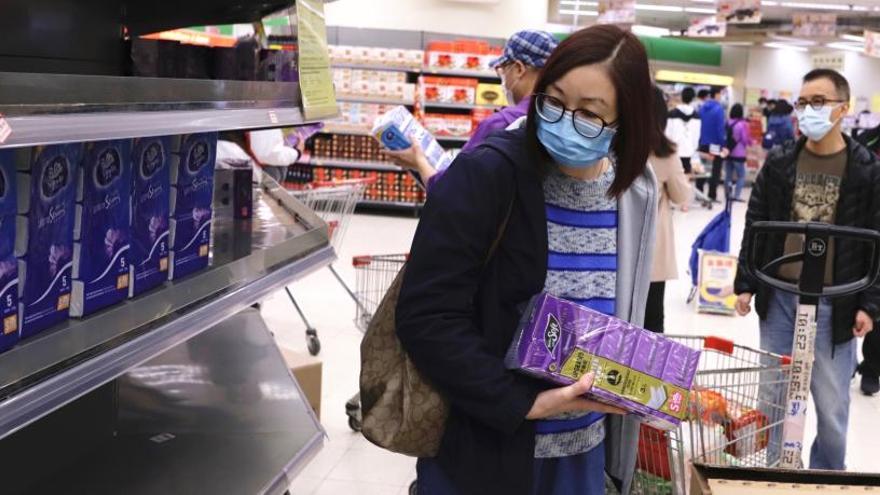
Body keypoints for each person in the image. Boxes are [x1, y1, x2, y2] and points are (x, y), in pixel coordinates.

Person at [395, 25, 658, 495]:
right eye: (554, 101)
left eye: (590, 115)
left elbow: (629, 312)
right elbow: (427, 314)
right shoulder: (488, 174)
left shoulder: (635, 191)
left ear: (626, 121)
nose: (563, 121)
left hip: (584, 453)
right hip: (487, 450)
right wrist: (521, 402)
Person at [734, 69, 880, 470]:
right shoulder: (781, 160)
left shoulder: (867, 169)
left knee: (832, 404)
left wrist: (870, 305)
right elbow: (756, 220)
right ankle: (778, 469)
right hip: (780, 295)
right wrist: (746, 282)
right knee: (773, 396)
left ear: (843, 109)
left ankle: (828, 475)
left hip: (838, 302)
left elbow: (878, 240)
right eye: (803, 102)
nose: (806, 111)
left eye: (818, 102)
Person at [385, 30, 558, 190]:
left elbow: (450, 190)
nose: (503, 78)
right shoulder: (557, 120)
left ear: (519, 69)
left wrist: (419, 161)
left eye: (503, 70)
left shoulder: (500, 125)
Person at [645, 86, 693, 333]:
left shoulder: (612, 146)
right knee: (652, 320)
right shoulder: (664, 152)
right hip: (651, 251)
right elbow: (681, 195)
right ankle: (647, 370)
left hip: (612, 248)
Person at [856, 122, 880, 396]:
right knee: (854, 302)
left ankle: (872, 367)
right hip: (864, 237)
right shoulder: (866, 141)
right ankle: (848, 360)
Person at [698, 88, 726, 203]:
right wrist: (722, 144)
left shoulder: (702, 108)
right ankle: (712, 195)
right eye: (720, 94)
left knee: (701, 169)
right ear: (717, 94)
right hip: (714, 145)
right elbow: (720, 129)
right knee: (715, 169)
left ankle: (699, 193)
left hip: (702, 143)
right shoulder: (719, 109)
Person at [665, 86, 701, 174]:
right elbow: (696, 137)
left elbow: (667, 134)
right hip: (688, 153)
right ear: (693, 99)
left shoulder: (671, 114)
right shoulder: (697, 116)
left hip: (674, 152)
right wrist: (693, 149)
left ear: (681, 97)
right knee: (685, 179)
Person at [724, 103, 752, 202]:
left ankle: (727, 195)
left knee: (728, 175)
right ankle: (736, 196)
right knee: (741, 175)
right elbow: (744, 139)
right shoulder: (742, 124)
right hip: (739, 153)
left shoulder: (727, 122)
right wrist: (750, 143)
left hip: (728, 152)